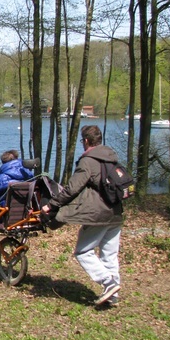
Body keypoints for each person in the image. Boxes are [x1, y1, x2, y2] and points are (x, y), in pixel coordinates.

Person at [41, 125, 123, 307]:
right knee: (109, 255)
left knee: (83, 251)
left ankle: (109, 283)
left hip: (98, 214)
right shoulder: (111, 158)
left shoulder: (89, 161)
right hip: (116, 212)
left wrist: (51, 205)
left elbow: (72, 188)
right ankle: (113, 295)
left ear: (86, 141)